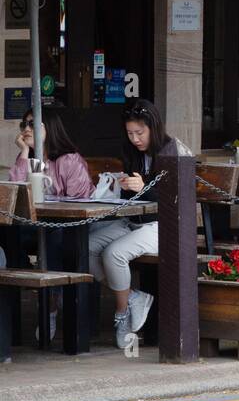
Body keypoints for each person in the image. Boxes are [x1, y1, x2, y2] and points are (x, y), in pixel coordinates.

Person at [88, 98, 175, 349]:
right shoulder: (130, 152)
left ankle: (122, 312)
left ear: (153, 128)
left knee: (114, 253)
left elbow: (173, 198)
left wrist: (145, 187)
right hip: (132, 221)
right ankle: (132, 297)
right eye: (130, 133)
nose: (135, 139)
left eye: (140, 132)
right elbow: (131, 197)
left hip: (162, 227)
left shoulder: (170, 151)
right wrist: (123, 185)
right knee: (84, 247)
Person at [9, 106, 93, 341]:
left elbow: (79, 203)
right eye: (24, 124)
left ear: (50, 128)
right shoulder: (32, 159)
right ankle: (25, 277)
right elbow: (14, 191)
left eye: (32, 124)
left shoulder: (68, 159)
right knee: (11, 236)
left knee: (55, 239)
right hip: (37, 226)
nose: (26, 129)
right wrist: (24, 152)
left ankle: (51, 304)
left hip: (69, 227)